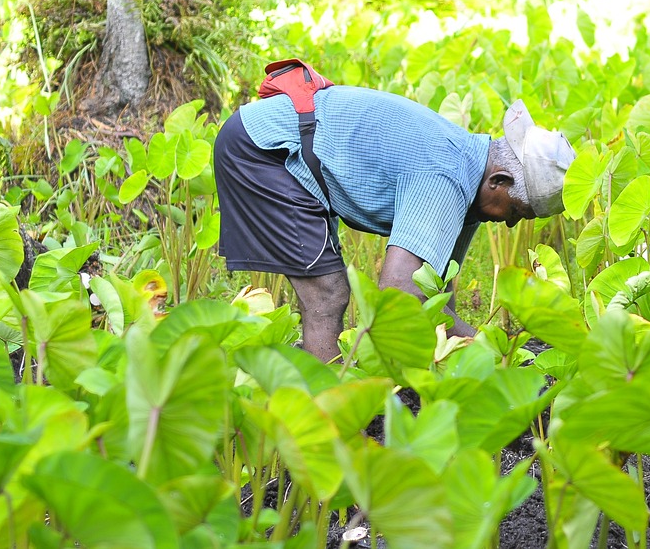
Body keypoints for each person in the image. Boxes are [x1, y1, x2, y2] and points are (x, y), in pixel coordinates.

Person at [212, 79, 575, 362]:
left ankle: (314, 384)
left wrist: (481, 352)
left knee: (329, 293)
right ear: (499, 182)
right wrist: (488, 348)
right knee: (328, 293)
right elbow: (400, 293)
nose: (511, 225)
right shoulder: (446, 174)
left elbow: (433, 294)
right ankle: (331, 419)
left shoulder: (472, 181)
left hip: (290, 148)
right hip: (265, 150)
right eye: (516, 213)